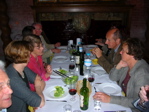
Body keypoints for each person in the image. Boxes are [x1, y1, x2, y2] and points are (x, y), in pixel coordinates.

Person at [93, 38, 149, 112]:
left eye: (123, 51)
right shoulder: (127, 63)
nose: (120, 52)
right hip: (122, 99)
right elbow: (112, 77)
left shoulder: (142, 74)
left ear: (132, 54)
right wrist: (118, 66)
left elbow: (137, 102)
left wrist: (110, 99)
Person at [4, 41, 45, 112]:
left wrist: (35, 99)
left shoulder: (22, 67)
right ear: (23, 55)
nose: (30, 55)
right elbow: (41, 103)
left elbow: (41, 80)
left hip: (27, 107)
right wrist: (37, 88)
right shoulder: (13, 79)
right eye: (29, 53)